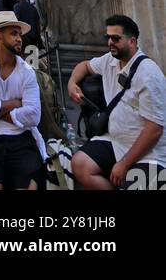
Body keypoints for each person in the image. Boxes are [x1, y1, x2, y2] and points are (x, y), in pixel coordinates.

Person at [69, 15, 166, 191]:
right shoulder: (109, 60)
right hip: (115, 141)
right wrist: (72, 83)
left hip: (148, 152)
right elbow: (84, 66)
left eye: (116, 38)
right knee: (80, 164)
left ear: (132, 41)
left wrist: (124, 164)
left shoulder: (149, 75)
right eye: (107, 37)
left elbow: (154, 130)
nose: (110, 42)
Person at [0, 9, 45, 190]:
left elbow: (34, 116)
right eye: (13, 34)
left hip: (23, 141)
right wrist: (14, 104)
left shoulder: (27, 71)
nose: (19, 38)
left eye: (19, 34)